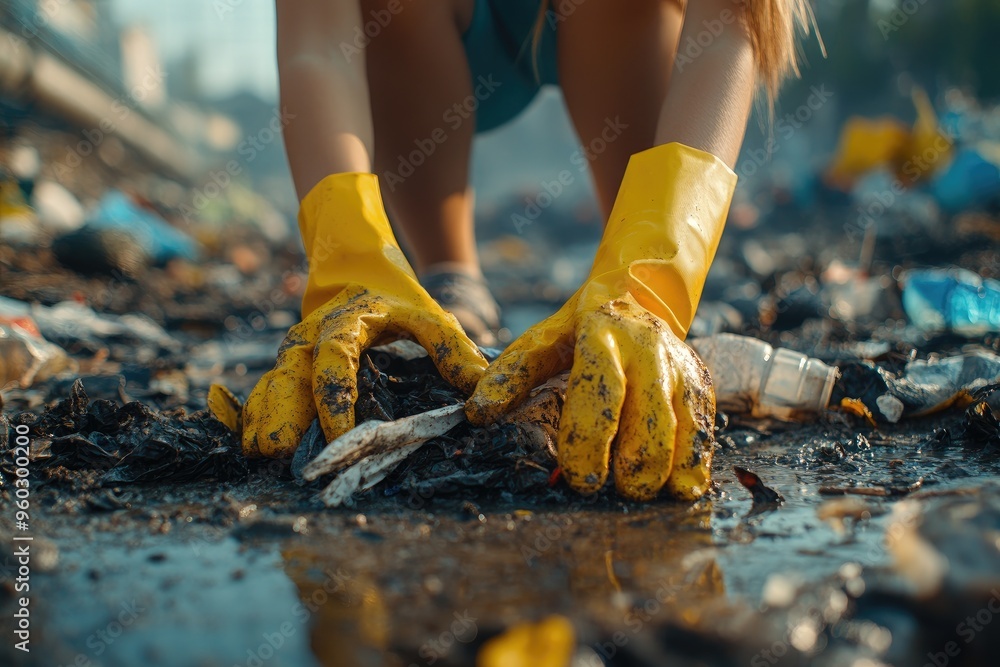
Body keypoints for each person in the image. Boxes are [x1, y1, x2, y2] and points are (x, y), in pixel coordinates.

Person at [242, 0, 817, 501]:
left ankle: (626, 279)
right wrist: (350, 262)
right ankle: (450, 275)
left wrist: (651, 282)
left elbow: (728, 23)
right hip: (432, 37)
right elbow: (318, 47)